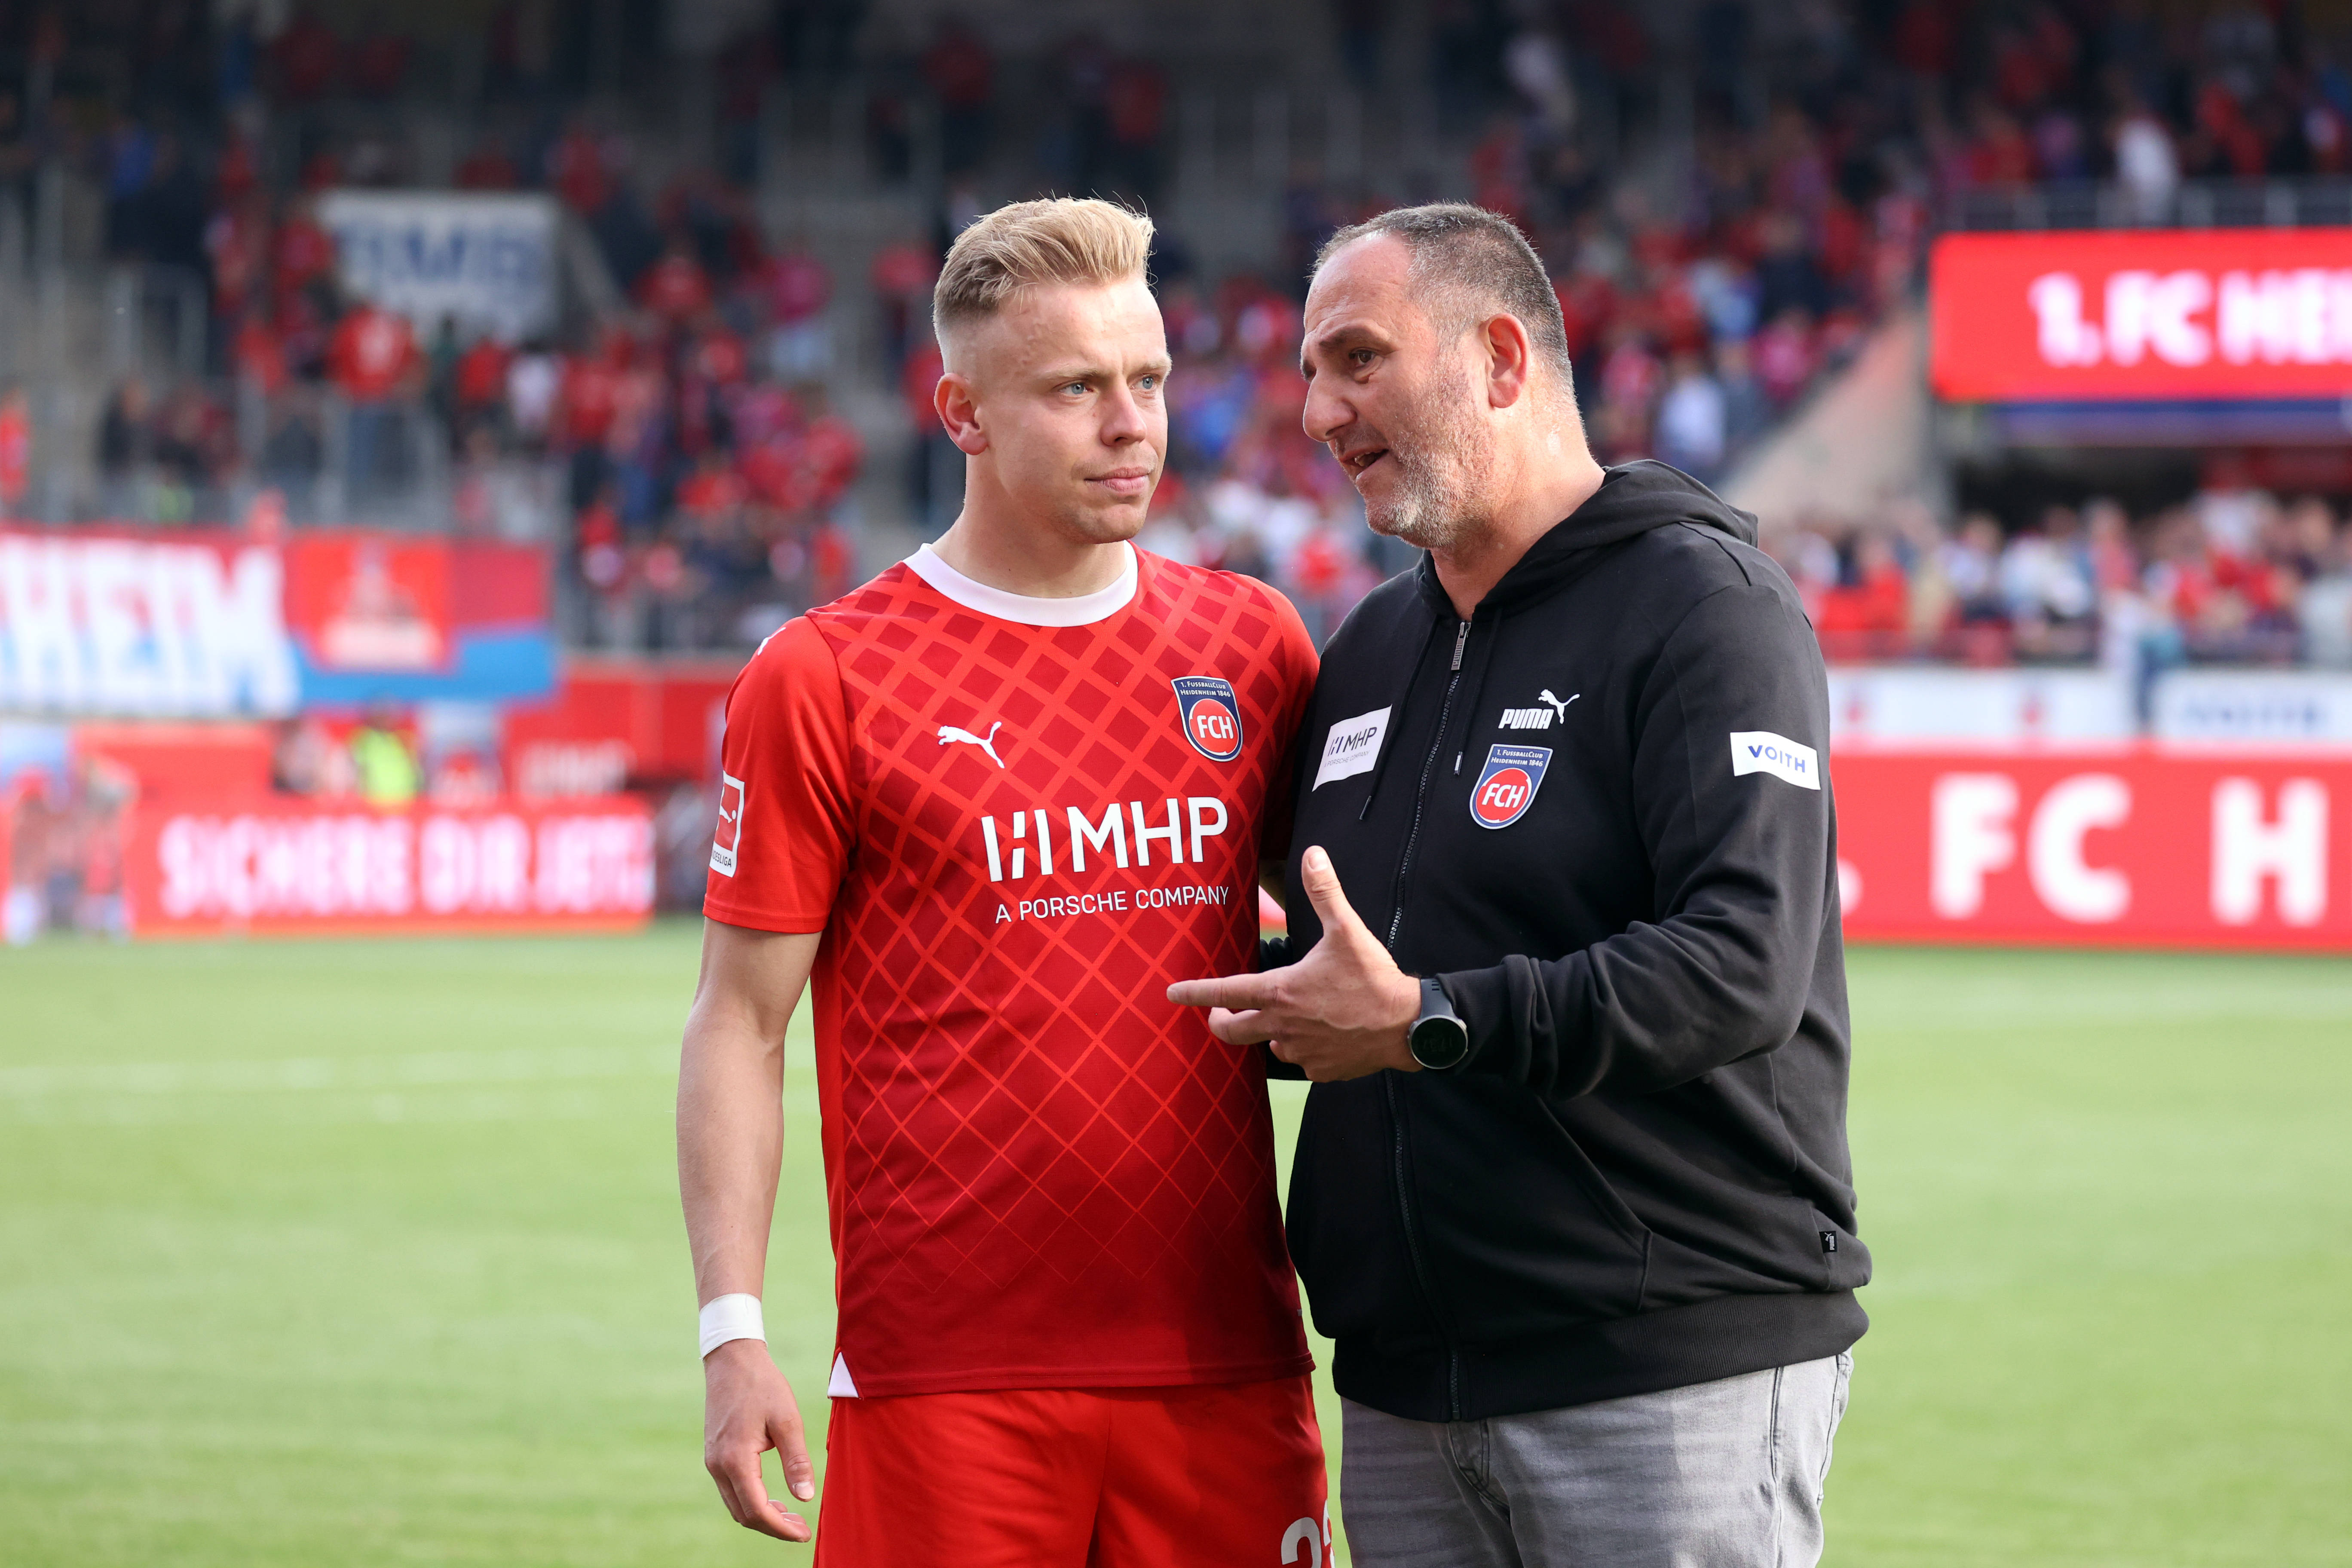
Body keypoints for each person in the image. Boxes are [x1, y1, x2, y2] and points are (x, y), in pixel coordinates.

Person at [1171, 204, 1866, 1567]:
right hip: (1405, 1385)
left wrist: (1430, 1020)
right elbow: (1365, 968)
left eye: (1357, 359)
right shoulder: (1369, 648)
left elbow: (1743, 965)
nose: (1317, 412)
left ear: (1501, 357)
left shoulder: (1707, 606)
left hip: (1662, 1372)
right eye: (1310, 374)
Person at [677, 198, 1334, 1568]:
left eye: (1148, 379)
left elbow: (1356, 948)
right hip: (945, 1388)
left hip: (1226, 1366)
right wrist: (732, 1332)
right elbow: (741, 1023)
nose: (1131, 422)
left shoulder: (1253, 643)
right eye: (1077, 388)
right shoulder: (829, 676)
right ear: (961, 412)